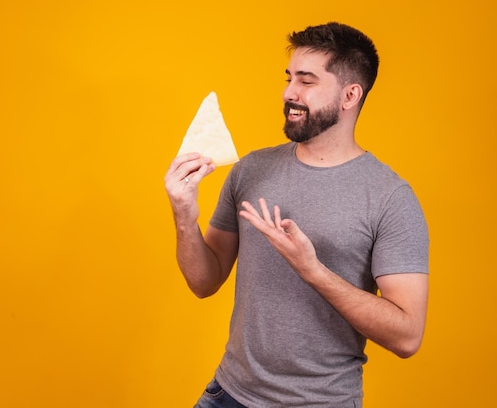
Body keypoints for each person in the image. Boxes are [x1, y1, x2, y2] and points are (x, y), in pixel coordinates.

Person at [164, 22, 429, 408]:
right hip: (229, 395)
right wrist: (184, 215)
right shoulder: (250, 170)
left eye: (306, 81)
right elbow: (204, 282)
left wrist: (313, 270)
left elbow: (407, 337)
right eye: (289, 78)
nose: (289, 93)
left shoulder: (390, 198)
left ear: (349, 95)